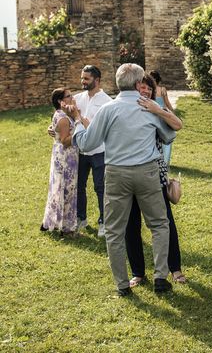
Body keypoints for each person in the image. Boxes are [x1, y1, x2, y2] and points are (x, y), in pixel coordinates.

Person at [69, 63, 176, 296]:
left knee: (115, 231)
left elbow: (87, 143)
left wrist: (77, 123)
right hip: (147, 172)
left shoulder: (108, 109)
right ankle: (160, 277)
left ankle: (122, 285)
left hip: (117, 172)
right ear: (139, 84)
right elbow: (168, 136)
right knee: (158, 224)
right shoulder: (147, 107)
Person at [126, 74, 186, 286]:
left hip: (155, 173)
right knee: (131, 224)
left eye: (149, 89)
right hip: (128, 173)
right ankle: (138, 272)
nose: (145, 92)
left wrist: (158, 110)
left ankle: (175, 268)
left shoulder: (157, 110)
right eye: (141, 88)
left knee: (164, 222)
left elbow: (177, 125)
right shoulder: (125, 110)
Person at [73, 65, 112, 237]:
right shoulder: (77, 99)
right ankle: (81, 218)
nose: (83, 81)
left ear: (97, 80)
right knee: (78, 186)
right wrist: (52, 127)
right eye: (82, 78)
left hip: (99, 151)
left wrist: (88, 124)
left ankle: (104, 222)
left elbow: (108, 130)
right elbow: (64, 116)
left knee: (100, 187)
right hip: (80, 151)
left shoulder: (108, 102)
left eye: (86, 78)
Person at [41, 88, 79, 235]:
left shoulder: (63, 114)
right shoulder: (63, 117)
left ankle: (56, 222)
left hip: (64, 157)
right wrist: (79, 127)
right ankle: (66, 227)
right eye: (69, 96)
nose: (72, 97)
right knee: (67, 190)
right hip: (65, 159)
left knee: (60, 189)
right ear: (60, 101)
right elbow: (65, 141)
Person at [149, 70, 175, 166]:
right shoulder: (149, 89)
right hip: (154, 114)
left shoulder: (161, 89)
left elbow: (167, 103)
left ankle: (165, 160)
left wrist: (173, 113)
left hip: (162, 115)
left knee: (165, 135)